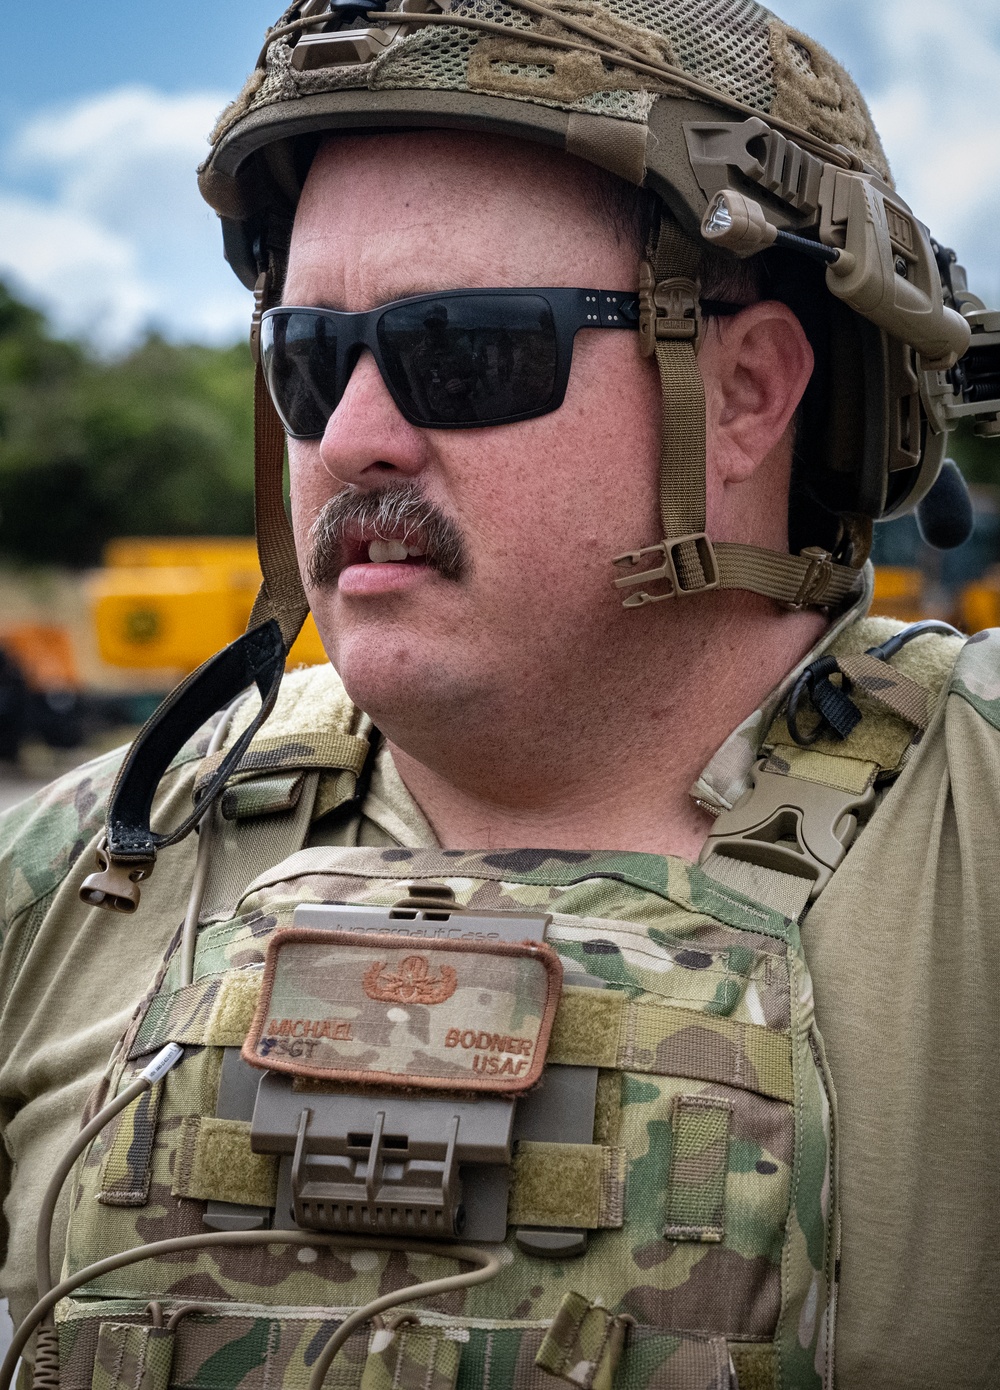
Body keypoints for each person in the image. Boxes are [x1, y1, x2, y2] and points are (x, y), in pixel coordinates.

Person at [1, 3, 998, 1389]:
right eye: (306, 357)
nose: (351, 436)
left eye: (460, 348)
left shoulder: (975, 836)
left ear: (753, 388)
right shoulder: (83, 870)